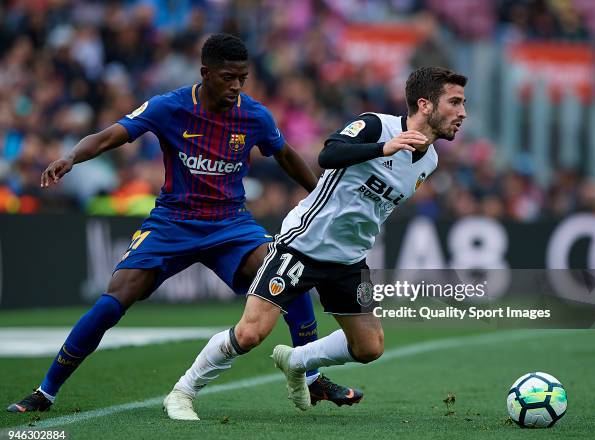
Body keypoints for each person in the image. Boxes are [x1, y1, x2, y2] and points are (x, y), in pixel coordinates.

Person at [7, 33, 361, 419]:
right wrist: (72, 156)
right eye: (228, 77)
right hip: (173, 222)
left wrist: (321, 198)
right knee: (114, 300)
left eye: (243, 77)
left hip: (230, 224)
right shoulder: (170, 107)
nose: (236, 86)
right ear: (205, 73)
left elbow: (287, 156)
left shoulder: (254, 115)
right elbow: (114, 133)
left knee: (288, 277)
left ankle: (310, 376)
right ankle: (46, 390)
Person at [164, 66, 467, 413]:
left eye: (463, 103)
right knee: (250, 334)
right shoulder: (375, 126)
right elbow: (328, 154)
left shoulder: (430, 159)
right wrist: (383, 148)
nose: (462, 113)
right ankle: (182, 392)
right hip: (303, 245)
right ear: (425, 105)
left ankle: (297, 361)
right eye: (454, 102)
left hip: (350, 260)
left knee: (369, 346)